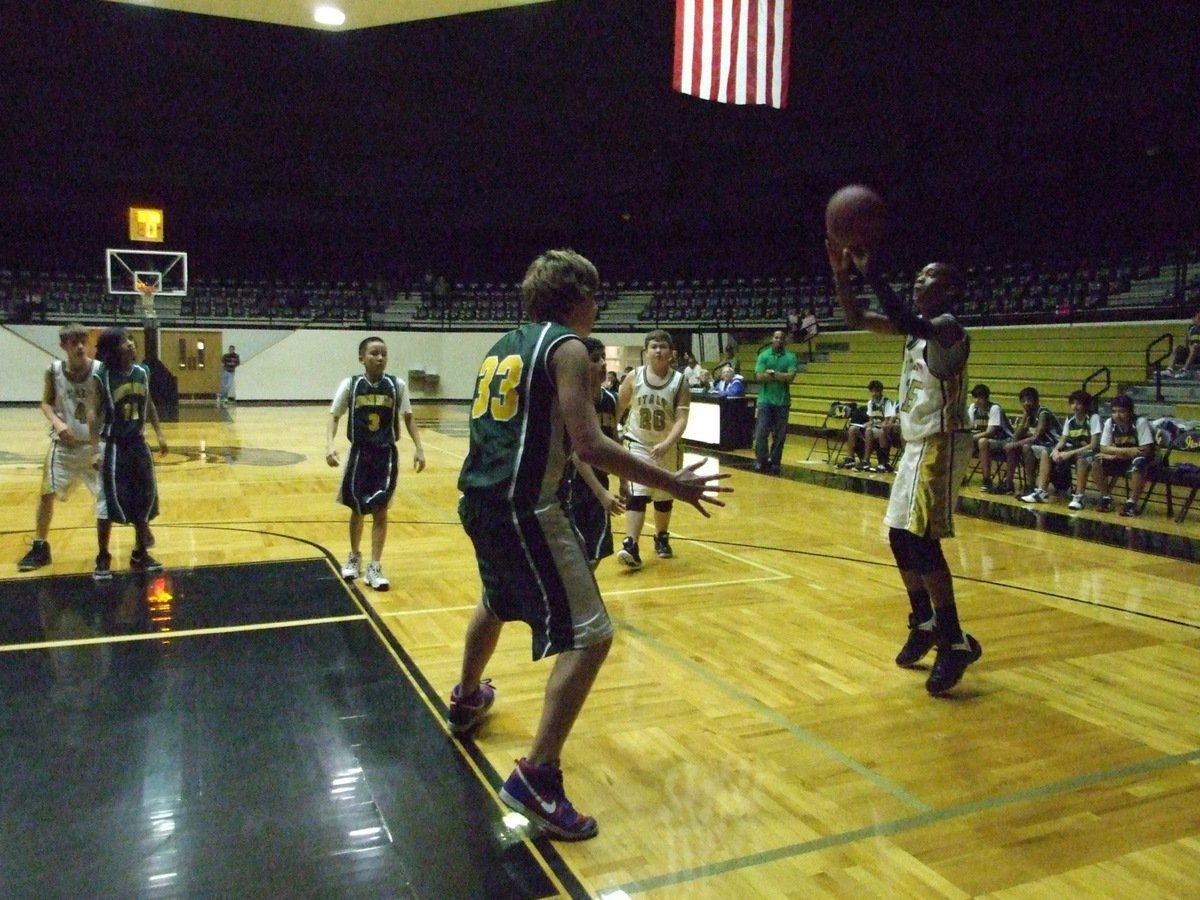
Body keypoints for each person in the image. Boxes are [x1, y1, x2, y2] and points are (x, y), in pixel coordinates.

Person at [448, 249, 729, 840]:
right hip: (527, 506)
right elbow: (590, 444)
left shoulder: (503, 344)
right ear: (577, 298)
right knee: (594, 634)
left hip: (478, 498)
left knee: (497, 600)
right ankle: (538, 775)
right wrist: (672, 482)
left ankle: (468, 697)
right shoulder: (569, 348)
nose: (598, 306)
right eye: (595, 295)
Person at [830, 245, 982, 695]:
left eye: (929, 275)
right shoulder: (916, 332)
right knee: (900, 534)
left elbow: (910, 319)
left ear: (951, 290)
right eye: (916, 274)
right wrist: (843, 275)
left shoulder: (949, 328)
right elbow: (857, 317)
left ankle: (953, 639)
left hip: (942, 441)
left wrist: (872, 270)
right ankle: (925, 619)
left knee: (922, 539)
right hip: (917, 444)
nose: (919, 280)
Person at [325, 336, 426, 590]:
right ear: (362, 358)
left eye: (383, 353)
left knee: (381, 509)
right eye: (374, 353)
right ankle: (354, 556)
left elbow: (409, 418)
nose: (380, 358)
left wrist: (419, 448)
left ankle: (375, 566)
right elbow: (334, 416)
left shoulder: (397, 385)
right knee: (357, 508)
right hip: (360, 453)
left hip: (386, 455)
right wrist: (330, 445)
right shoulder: (351, 385)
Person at [88, 327, 168, 581]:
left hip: (137, 442)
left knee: (144, 496)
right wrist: (93, 450)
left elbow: (149, 403)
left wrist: (159, 433)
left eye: (131, 340)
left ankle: (139, 552)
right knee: (109, 502)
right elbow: (92, 414)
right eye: (124, 342)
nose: (131, 344)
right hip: (112, 445)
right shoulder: (102, 377)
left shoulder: (142, 372)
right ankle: (103, 555)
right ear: (113, 349)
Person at [19, 323, 99, 572]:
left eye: (83, 341)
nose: (79, 346)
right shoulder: (53, 370)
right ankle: (41, 547)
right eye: (73, 342)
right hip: (64, 445)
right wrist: (58, 423)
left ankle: (121, 546)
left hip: (94, 446)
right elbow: (45, 403)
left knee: (110, 497)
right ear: (63, 346)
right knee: (46, 493)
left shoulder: (99, 371)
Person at [616, 328, 691, 567]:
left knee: (663, 497)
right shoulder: (634, 376)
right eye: (654, 347)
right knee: (637, 494)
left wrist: (667, 443)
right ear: (646, 352)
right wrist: (610, 435)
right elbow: (619, 407)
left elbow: (681, 419)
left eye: (663, 347)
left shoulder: (680, 381)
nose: (658, 351)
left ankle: (661, 537)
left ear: (671, 352)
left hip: (666, 445)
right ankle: (631, 544)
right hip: (637, 442)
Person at [559, 337, 625, 567]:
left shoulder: (609, 400)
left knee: (595, 554)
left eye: (603, 358)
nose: (603, 364)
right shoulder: (574, 399)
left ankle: (578, 601)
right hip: (571, 485)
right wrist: (601, 493)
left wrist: (624, 481)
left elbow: (615, 441)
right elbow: (578, 452)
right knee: (576, 555)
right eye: (595, 359)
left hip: (599, 481)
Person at [1021, 390, 1101, 508]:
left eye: (1079, 403)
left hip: (1089, 453)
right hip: (1074, 451)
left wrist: (1069, 454)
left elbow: (1093, 445)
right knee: (1046, 452)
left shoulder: (1093, 418)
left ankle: (1078, 497)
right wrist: (1055, 451)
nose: (1075, 406)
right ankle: (1041, 492)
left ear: (1086, 405)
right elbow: (1062, 441)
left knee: (1081, 460)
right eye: (1073, 403)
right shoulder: (1070, 420)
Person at [1093, 393, 1155, 516]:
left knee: (1139, 462)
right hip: (1122, 459)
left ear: (1130, 412)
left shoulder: (1140, 422)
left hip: (1147, 461)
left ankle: (1132, 503)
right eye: (1114, 411)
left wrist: (1115, 453)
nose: (1117, 415)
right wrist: (1123, 453)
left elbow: (1145, 450)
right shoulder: (1110, 423)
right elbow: (1103, 448)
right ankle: (1106, 497)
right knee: (1096, 461)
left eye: (1121, 411)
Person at [753, 329, 799, 474]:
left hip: (782, 401)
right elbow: (758, 377)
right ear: (772, 339)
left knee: (780, 435)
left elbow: (791, 377)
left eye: (781, 338)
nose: (778, 340)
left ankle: (775, 462)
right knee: (761, 433)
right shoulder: (764, 355)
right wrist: (780, 376)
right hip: (765, 400)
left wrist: (773, 374)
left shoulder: (790, 357)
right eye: (776, 337)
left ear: (784, 341)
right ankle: (761, 460)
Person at [1002, 386, 1061, 494]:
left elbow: (1036, 437)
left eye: (1029, 400)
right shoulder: (1029, 415)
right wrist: (1024, 417)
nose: (1026, 403)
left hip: (1054, 446)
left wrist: (1015, 444)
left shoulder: (1043, 413)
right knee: (1012, 448)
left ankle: (1030, 485)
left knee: (1025, 447)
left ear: (1036, 400)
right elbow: (1016, 437)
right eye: (1023, 401)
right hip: (1039, 446)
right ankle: (1008, 483)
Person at [846, 379, 900, 472]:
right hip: (875, 427)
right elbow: (871, 420)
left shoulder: (887, 402)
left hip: (882, 429)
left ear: (881, 391)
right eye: (872, 391)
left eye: (876, 391)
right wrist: (868, 423)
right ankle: (850, 458)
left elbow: (886, 421)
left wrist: (872, 424)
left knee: (869, 431)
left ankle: (866, 460)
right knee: (852, 429)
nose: (874, 393)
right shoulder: (870, 403)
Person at [969, 384, 1014, 492]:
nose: (977, 400)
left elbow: (990, 432)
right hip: (986, 440)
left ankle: (986, 480)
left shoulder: (994, 408)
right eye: (975, 397)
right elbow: (968, 428)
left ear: (986, 398)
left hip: (1004, 440)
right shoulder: (973, 408)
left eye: (980, 398)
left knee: (983, 442)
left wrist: (971, 438)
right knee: (960, 442)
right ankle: (960, 476)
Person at [1166, 309, 1200, 377]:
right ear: (1193, 319)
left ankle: (1184, 370)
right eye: (1198, 318)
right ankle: (1169, 370)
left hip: (1197, 350)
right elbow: (1187, 342)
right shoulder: (1190, 328)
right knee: (1176, 347)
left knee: (1195, 346)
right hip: (1192, 351)